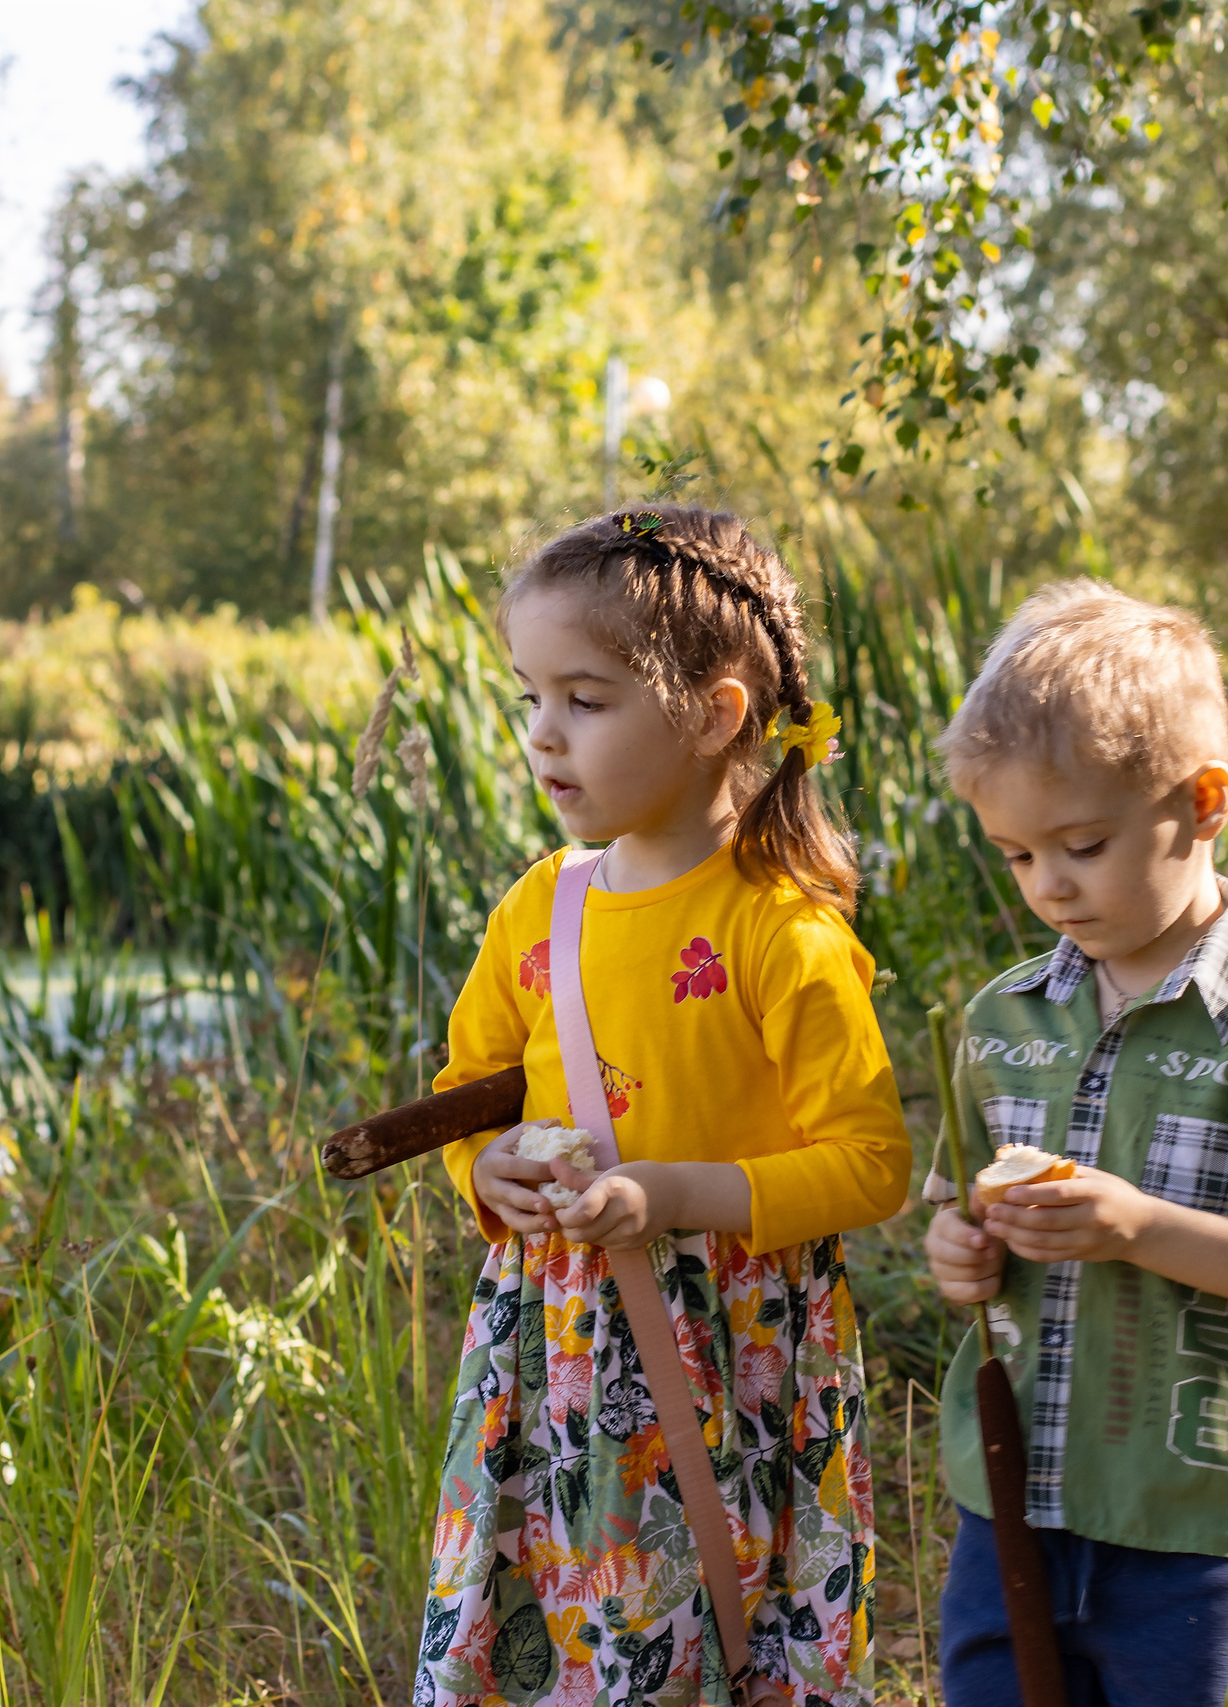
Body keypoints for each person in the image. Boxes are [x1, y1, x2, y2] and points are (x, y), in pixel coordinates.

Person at [415, 506, 910, 1706]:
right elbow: (463, 1096)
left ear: (714, 715)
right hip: (556, 1347)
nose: (543, 734)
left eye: (585, 700)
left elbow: (869, 1163)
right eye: (531, 698)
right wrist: (486, 1170)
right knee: (561, 1634)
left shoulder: (778, 931)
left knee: (717, 1632)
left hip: (732, 1357)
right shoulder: (541, 908)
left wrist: (676, 1195)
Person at [922, 581, 1228, 1706]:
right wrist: (959, 1253)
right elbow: (953, 1217)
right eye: (1015, 855)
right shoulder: (1001, 1021)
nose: (1049, 885)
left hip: (1197, 1520)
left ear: (1203, 802)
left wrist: (1137, 1227)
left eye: (1082, 844)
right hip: (1011, 1495)